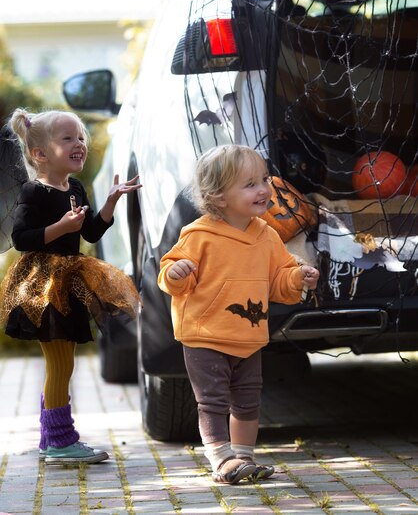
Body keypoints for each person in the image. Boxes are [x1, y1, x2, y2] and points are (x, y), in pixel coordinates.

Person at [158, 144, 319, 485]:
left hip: (248, 336)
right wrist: (177, 273)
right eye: (250, 184)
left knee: (247, 401)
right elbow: (169, 271)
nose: (264, 189)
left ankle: (243, 457)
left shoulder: (267, 235)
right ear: (218, 197)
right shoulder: (198, 235)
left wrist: (298, 277)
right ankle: (221, 459)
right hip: (205, 334)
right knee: (213, 401)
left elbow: (279, 280)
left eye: (264, 179)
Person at [0, 108, 142, 465]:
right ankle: (61, 441)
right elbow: (21, 238)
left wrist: (110, 202)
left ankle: (53, 437)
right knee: (61, 364)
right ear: (40, 153)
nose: (79, 143)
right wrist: (61, 228)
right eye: (68, 138)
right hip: (43, 285)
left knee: (63, 364)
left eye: (80, 137)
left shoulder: (75, 187)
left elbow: (90, 232)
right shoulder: (34, 192)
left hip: (68, 280)